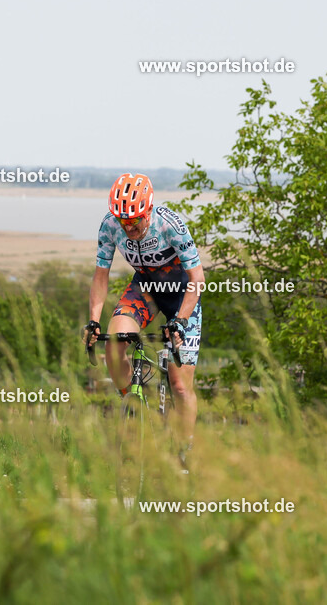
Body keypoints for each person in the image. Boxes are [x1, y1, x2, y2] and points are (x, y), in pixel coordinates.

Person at [84, 172, 204, 465]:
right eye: (124, 222)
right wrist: (93, 321)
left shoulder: (171, 225)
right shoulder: (110, 225)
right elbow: (101, 276)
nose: (129, 228)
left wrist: (181, 321)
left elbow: (197, 279)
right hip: (147, 288)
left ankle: (184, 454)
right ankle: (135, 404)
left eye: (135, 220)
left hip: (180, 295)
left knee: (179, 385)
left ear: (148, 209)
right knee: (113, 345)